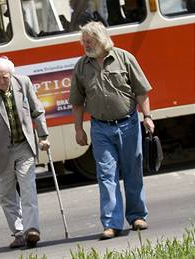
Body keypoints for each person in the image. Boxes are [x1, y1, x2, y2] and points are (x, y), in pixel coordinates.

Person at [69, 21, 154, 240]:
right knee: (106, 175)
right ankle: (111, 223)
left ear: (101, 39)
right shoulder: (81, 66)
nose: (85, 45)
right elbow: (77, 102)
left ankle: (137, 216)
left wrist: (147, 116)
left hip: (129, 124)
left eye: (89, 41)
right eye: (83, 41)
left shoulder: (124, 58)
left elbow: (141, 91)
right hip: (100, 128)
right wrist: (78, 129)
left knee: (133, 170)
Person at [0, 57, 50, 248]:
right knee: (6, 195)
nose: (1, 81)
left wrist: (43, 136)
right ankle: (19, 232)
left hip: (24, 145)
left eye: (4, 77)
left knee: (27, 188)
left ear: (12, 74)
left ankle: (32, 229)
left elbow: (37, 110)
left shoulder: (23, 83)